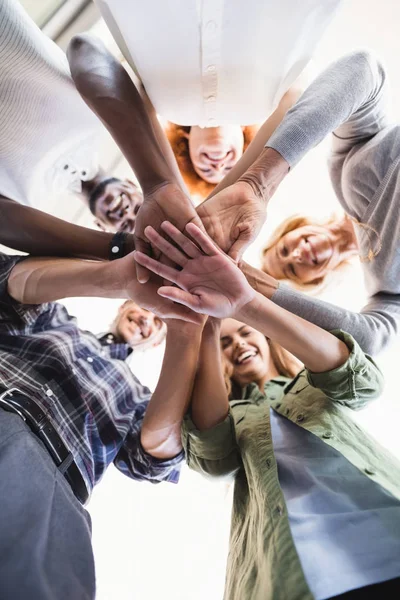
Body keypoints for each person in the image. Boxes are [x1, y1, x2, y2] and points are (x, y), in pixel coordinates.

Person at [133, 221, 400, 600]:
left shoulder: (312, 381)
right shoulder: (231, 415)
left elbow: (361, 381)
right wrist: (207, 326)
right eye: (227, 345)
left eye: (244, 333)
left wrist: (245, 306)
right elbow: (214, 455)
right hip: (292, 571)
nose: (238, 344)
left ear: (266, 340)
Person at [0, 245, 204, 599]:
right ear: (124, 305)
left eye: (158, 325)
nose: (147, 321)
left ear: (156, 342)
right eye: (147, 310)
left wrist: (185, 330)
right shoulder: (58, 321)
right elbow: (10, 286)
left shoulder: (143, 398)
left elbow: (154, 458)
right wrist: (119, 279)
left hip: (54, 480)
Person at [195, 51, 400, 355]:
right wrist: (249, 286)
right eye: (292, 269)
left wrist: (258, 183)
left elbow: (363, 69)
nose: (299, 253)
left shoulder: (344, 173)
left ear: (294, 228)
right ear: (314, 282)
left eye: (286, 249)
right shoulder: (386, 290)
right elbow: (371, 341)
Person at [93, 0, 342, 193]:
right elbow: (303, 87)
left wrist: (168, 185)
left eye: (205, 170)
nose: (218, 165)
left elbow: (107, 66)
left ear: (185, 149)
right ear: (246, 147)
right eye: (229, 169)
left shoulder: (163, 106)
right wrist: (237, 186)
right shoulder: (266, 105)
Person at [0, 0, 142, 232]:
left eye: (125, 225)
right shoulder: (103, 119)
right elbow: (83, 46)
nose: (126, 213)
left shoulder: (29, 205)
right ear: (132, 184)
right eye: (138, 209)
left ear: (101, 227)